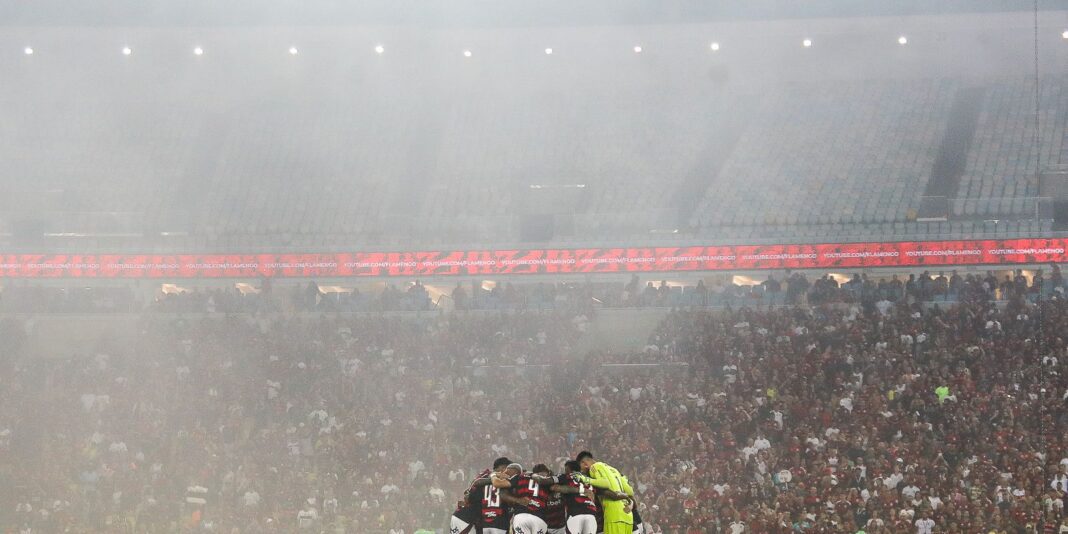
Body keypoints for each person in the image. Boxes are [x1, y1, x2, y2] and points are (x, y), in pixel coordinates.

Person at [574, 451, 634, 534]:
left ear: (584, 463)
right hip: (627, 516)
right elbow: (630, 491)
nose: (582, 471)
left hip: (614, 515)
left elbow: (605, 483)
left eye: (581, 468)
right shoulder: (614, 470)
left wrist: (586, 479)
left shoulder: (595, 467)